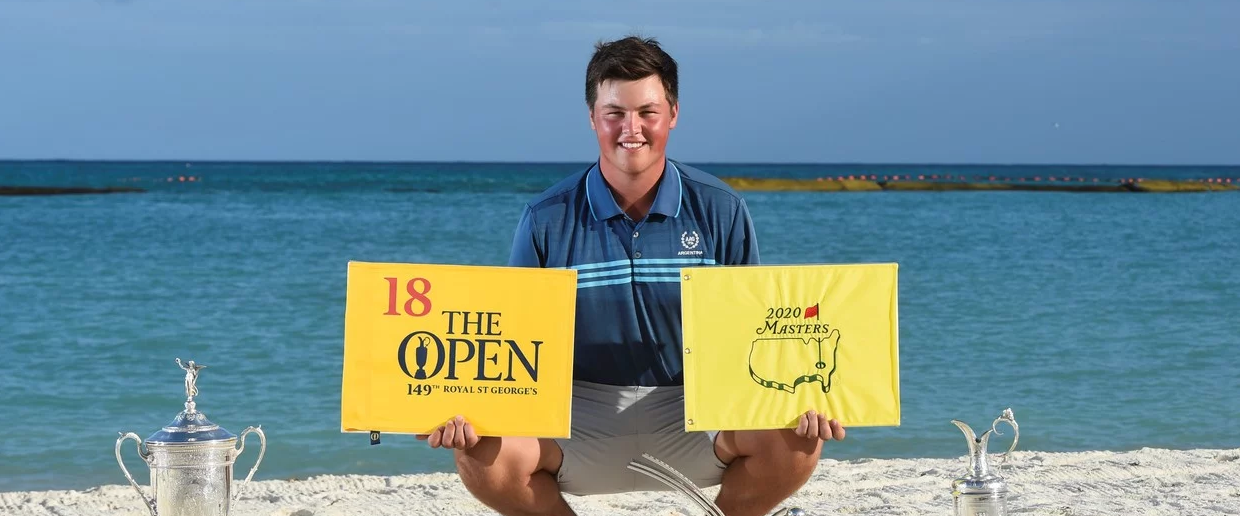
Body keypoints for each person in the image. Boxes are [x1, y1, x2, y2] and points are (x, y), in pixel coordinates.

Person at [417, 35, 845, 516]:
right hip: (578, 416)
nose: (631, 128)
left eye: (648, 112)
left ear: (674, 114)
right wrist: (454, 407)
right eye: (615, 112)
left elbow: (759, 330)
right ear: (593, 118)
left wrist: (810, 399)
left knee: (796, 439)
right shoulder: (545, 217)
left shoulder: (721, 209)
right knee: (478, 452)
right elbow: (510, 348)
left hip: (694, 410)